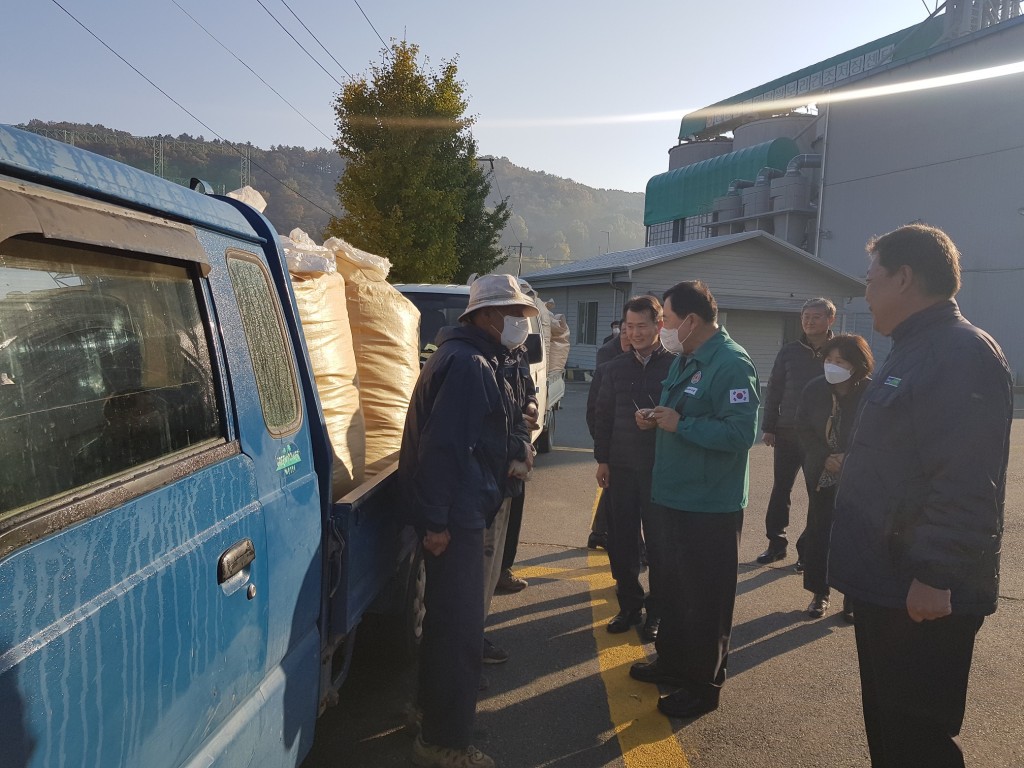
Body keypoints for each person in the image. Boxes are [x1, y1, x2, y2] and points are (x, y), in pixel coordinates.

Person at [829, 224, 1012, 768]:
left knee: (918, 742)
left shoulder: (959, 353)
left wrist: (934, 575)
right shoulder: (913, 349)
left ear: (905, 278)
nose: (866, 292)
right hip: (889, 585)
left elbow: (965, 479)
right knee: (891, 733)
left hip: (922, 594)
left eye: (871, 279)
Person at [399, 273, 537, 768]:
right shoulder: (467, 364)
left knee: (444, 624)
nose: (522, 324)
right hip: (455, 516)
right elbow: (442, 451)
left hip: (464, 508)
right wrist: (436, 520)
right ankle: (444, 744)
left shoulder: (485, 358)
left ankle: (425, 713)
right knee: (459, 634)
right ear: (485, 315)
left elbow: (501, 424)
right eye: (514, 314)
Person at [628, 280, 759, 719]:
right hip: (675, 496)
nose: (660, 326)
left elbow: (742, 433)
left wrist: (680, 425)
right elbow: (680, 413)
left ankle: (703, 686)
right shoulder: (689, 358)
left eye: (664, 319)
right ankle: (673, 663)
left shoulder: (731, 364)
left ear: (691, 321)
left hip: (709, 504)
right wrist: (657, 420)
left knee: (705, 598)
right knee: (675, 590)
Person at [593, 296, 675, 642]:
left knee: (660, 545)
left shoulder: (677, 366)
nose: (636, 332)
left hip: (661, 470)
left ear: (659, 325)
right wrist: (603, 459)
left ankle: (657, 612)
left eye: (643, 325)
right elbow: (601, 416)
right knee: (622, 541)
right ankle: (629, 606)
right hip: (621, 468)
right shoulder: (613, 368)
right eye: (630, 326)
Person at [794, 334, 873, 620]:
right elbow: (803, 428)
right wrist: (824, 457)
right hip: (822, 471)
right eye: (828, 359)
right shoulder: (814, 389)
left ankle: (853, 597)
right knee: (820, 530)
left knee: (855, 534)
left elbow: (879, 435)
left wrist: (851, 460)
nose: (832, 366)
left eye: (839, 361)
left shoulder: (871, 393)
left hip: (860, 475)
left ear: (856, 364)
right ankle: (819, 592)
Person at [756, 298, 836, 565]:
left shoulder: (838, 352)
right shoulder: (789, 351)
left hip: (820, 437)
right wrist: (768, 427)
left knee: (817, 493)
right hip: (787, 431)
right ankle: (776, 543)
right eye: (806, 316)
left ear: (830, 320)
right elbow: (774, 390)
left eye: (816, 316)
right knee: (781, 490)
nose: (809, 321)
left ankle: (807, 548)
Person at [586, 324, 631, 550]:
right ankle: (602, 534)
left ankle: (600, 533)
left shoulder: (663, 361)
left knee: (616, 493)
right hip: (615, 445)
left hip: (638, 449)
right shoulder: (608, 357)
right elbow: (597, 411)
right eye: (626, 330)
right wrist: (603, 450)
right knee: (614, 491)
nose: (631, 335)